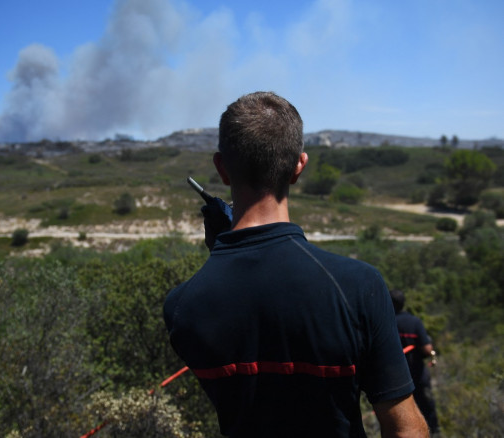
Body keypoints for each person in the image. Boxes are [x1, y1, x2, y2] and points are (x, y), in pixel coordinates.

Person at [163, 92, 429, 437]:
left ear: (221, 168)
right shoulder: (359, 286)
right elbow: (406, 430)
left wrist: (221, 255)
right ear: (298, 166)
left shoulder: (181, 307)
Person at [390, 289, 440, 435]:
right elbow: (426, 348)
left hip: (395, 376)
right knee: (426, 406)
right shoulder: (414, 321)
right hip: (417, 372)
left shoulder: (387, 322)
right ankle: (434, 433)